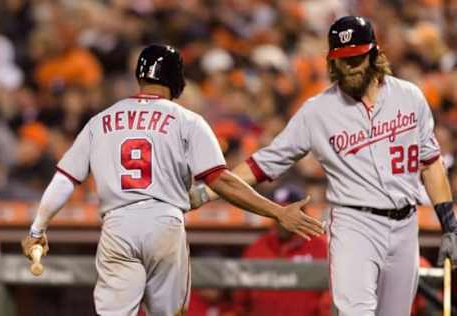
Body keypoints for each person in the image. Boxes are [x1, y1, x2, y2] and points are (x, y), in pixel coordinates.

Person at [20, 44, 324, 316]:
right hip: (163, 222)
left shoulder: (101, 120)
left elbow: (64, 179)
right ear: (176, 80)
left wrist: (37, 229)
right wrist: (277, 211)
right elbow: (222, 180)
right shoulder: (187, 120)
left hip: (116, 224)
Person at [190, 16, 457, 316]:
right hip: (356, 224)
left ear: (374, 54)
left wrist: (449, 227)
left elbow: (431, 164)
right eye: (343, 60)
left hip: (407, 225)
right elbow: (263, 163)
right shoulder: (318, 111)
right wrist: (209, 190)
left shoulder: (409, 97)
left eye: (356, 57)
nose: (351, 66)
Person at [233, 184, 330, 316]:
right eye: (278, 211)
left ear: (303, 213)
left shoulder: (321, 246)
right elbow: (240, 300)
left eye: (288, 212)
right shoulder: (257, 248)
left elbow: (330, 298)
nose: (282, 219)